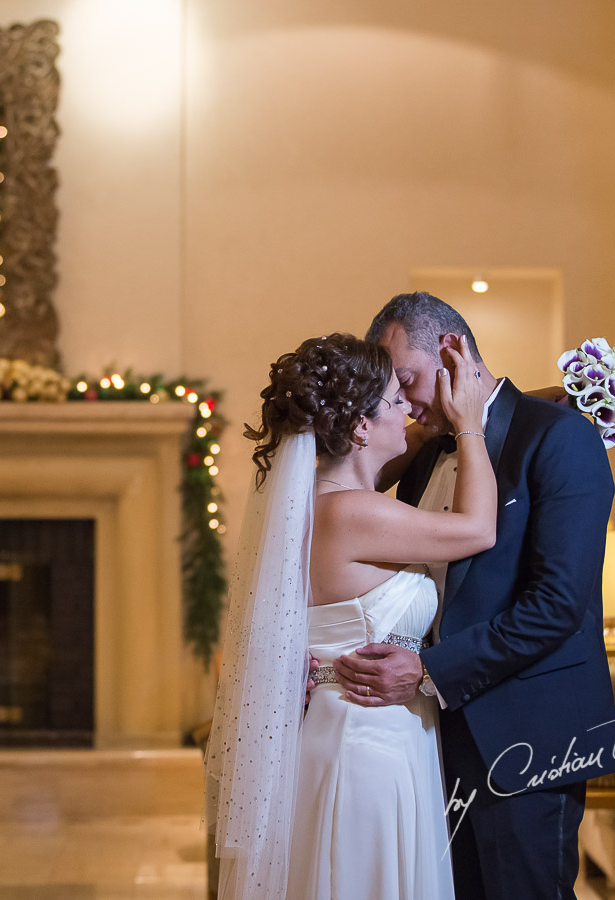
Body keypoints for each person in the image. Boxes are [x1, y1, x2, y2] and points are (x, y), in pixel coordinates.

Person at [338, 291, 615, 899]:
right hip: (435, 740)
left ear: (451, 351)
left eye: (407, 380)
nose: (405, 405)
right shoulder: (426, 456)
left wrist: (426, 671)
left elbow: (557, 605)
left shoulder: (559, 439)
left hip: (530, 738)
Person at [206, 330, 495, 900]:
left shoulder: (313, 509)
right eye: (395, 401)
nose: (410, 412)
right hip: (369, 746)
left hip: (348, 730)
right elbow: (479, 529)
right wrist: (469, 424)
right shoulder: (354, 513)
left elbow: (391, 454)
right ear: (360, 426)